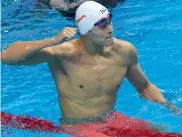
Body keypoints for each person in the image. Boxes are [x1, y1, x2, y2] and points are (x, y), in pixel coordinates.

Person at [1, 1, 181, 136]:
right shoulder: (62, 54)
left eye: (109, 21)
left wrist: (171, 108)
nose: (110, 29)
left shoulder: (124, 51)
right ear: (85, 29)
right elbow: (7, 57)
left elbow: (144, 87)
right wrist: (53, 41)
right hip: (78, 125)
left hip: (112, 118)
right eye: (101, 24)